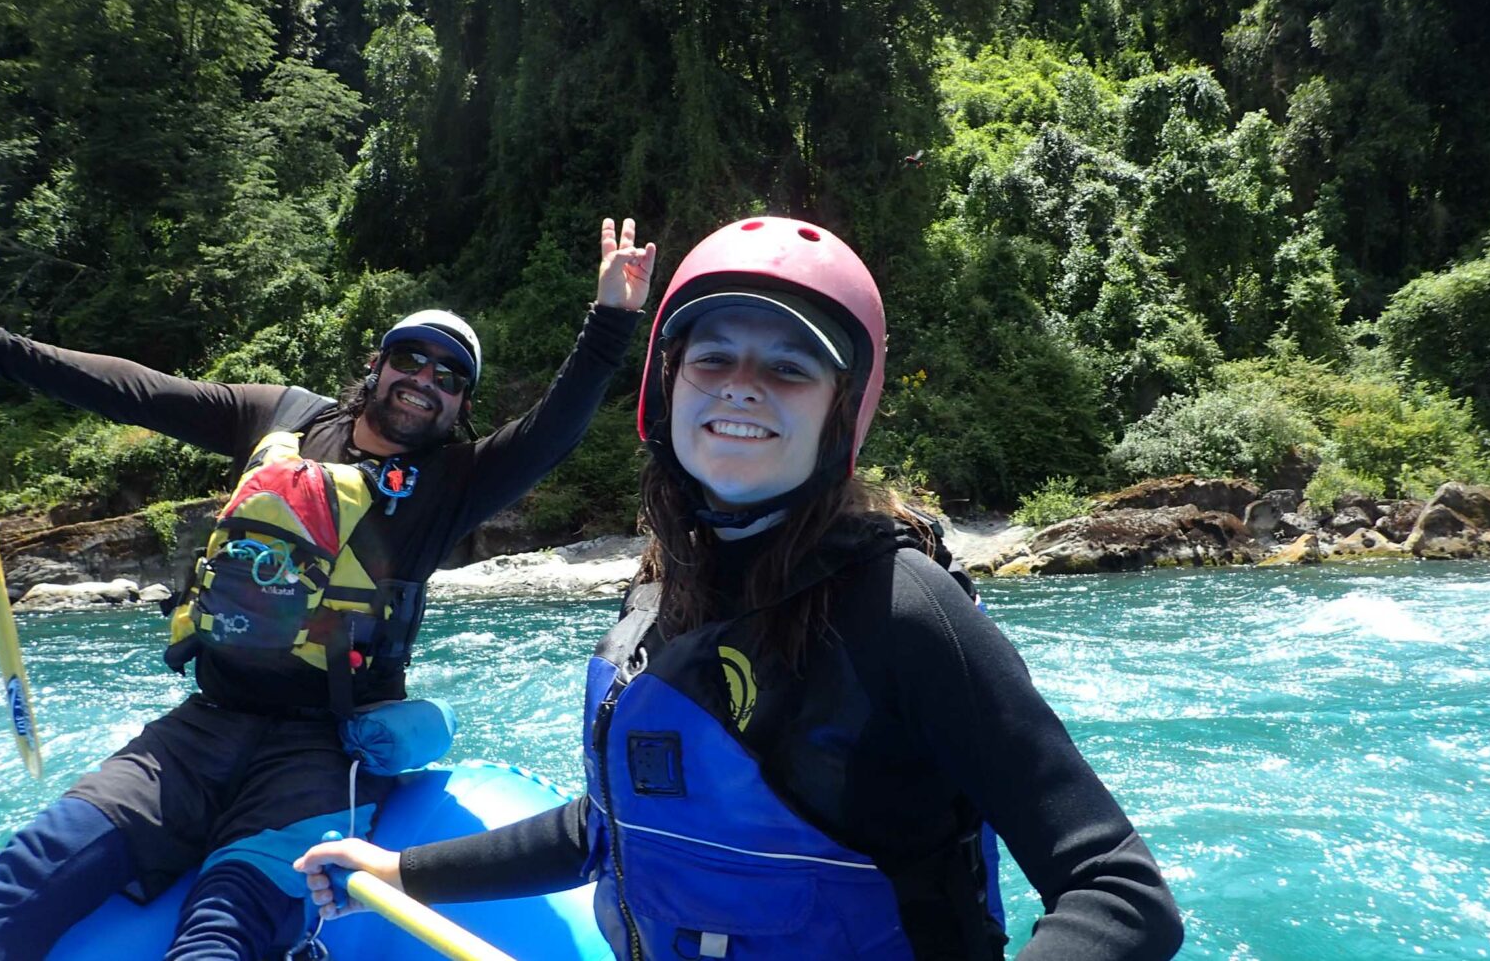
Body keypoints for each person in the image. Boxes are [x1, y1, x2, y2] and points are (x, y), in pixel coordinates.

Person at [294, 217, 1184, 959]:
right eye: (712, 359)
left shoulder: (902, 610)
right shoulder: (656, 600)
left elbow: (1121, 890)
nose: (742, 388)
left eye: (790, 368)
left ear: (842, 411)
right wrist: (398, 872)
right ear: (668, 387)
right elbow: (607, 831)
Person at [0, 218, 657, 961]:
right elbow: (138, 392)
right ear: (377, 364)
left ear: (462, 406)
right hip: (200, 727)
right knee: (31, 873)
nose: (425, 380)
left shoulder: (453, 484)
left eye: (449, 376)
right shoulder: (280, 416)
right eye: (411, 358)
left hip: (323, 750)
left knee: (220, 933)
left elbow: (556, 429)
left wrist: (612, 318)